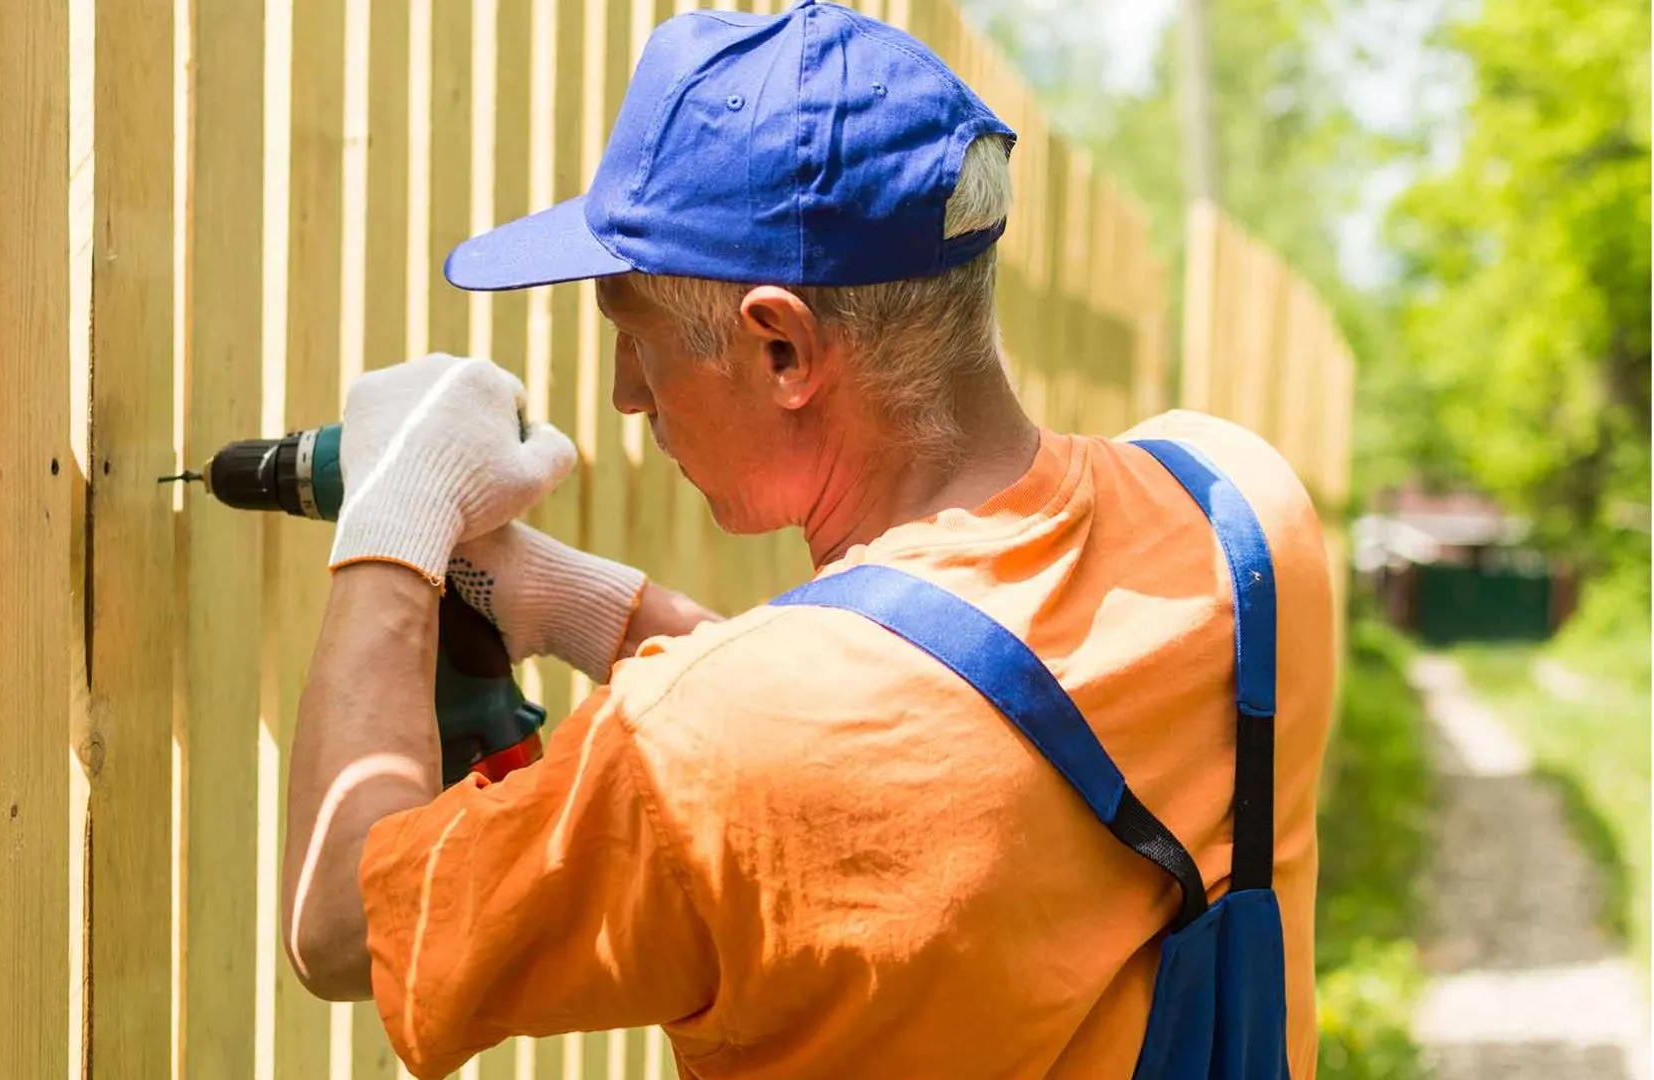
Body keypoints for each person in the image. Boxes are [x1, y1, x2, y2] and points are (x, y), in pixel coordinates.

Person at [279, 3, 1335, 1077]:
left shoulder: (703, 753)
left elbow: (335, 922)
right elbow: (922, 738)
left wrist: (395, 522)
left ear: (782, 349)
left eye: (634, 336)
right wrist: (587, 606)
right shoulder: (1241, 513)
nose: (624, 394)